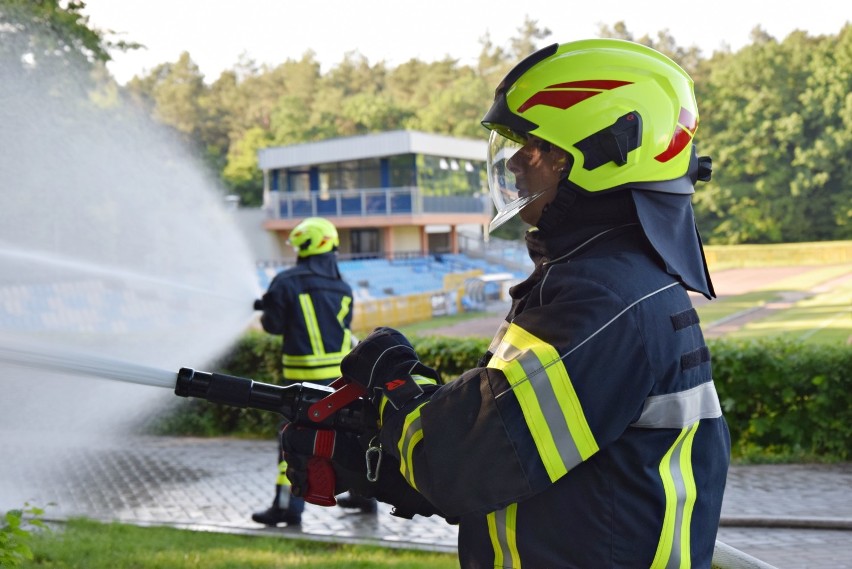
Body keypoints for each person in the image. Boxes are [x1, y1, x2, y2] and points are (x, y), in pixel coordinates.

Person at [282, 38, 731, 567]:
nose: (516, 162)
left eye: (534, 146)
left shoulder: (601, 302)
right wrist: (373, 457)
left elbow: (461, 465)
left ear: (598, 158)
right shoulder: (614, 283)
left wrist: (393, 381)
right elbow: (518, 461)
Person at [250, 216, 376, 526]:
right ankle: (364, 499)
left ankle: (287, 509)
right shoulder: (342, 287)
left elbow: (273, 325)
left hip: (301, 379)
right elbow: (344, 329)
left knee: (291, 441)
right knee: (351, 436)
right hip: (339, 380)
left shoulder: (286, 281)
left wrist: (268, 306)